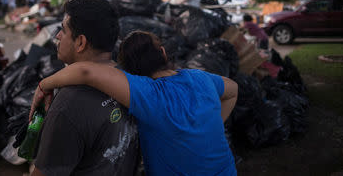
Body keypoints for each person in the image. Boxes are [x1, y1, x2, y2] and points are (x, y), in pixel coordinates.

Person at [30, 31, 238, 176]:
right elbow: (232, 90)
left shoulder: (147, 93)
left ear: (130, 72)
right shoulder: (200, 78)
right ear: (163, 54)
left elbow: (85, 72)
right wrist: (212, 126)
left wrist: (44, 85)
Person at [31, 0, 139, 176]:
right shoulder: (130, 80)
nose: (57, 36)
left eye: (63, 30)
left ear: (80, 42)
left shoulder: (69, 105)